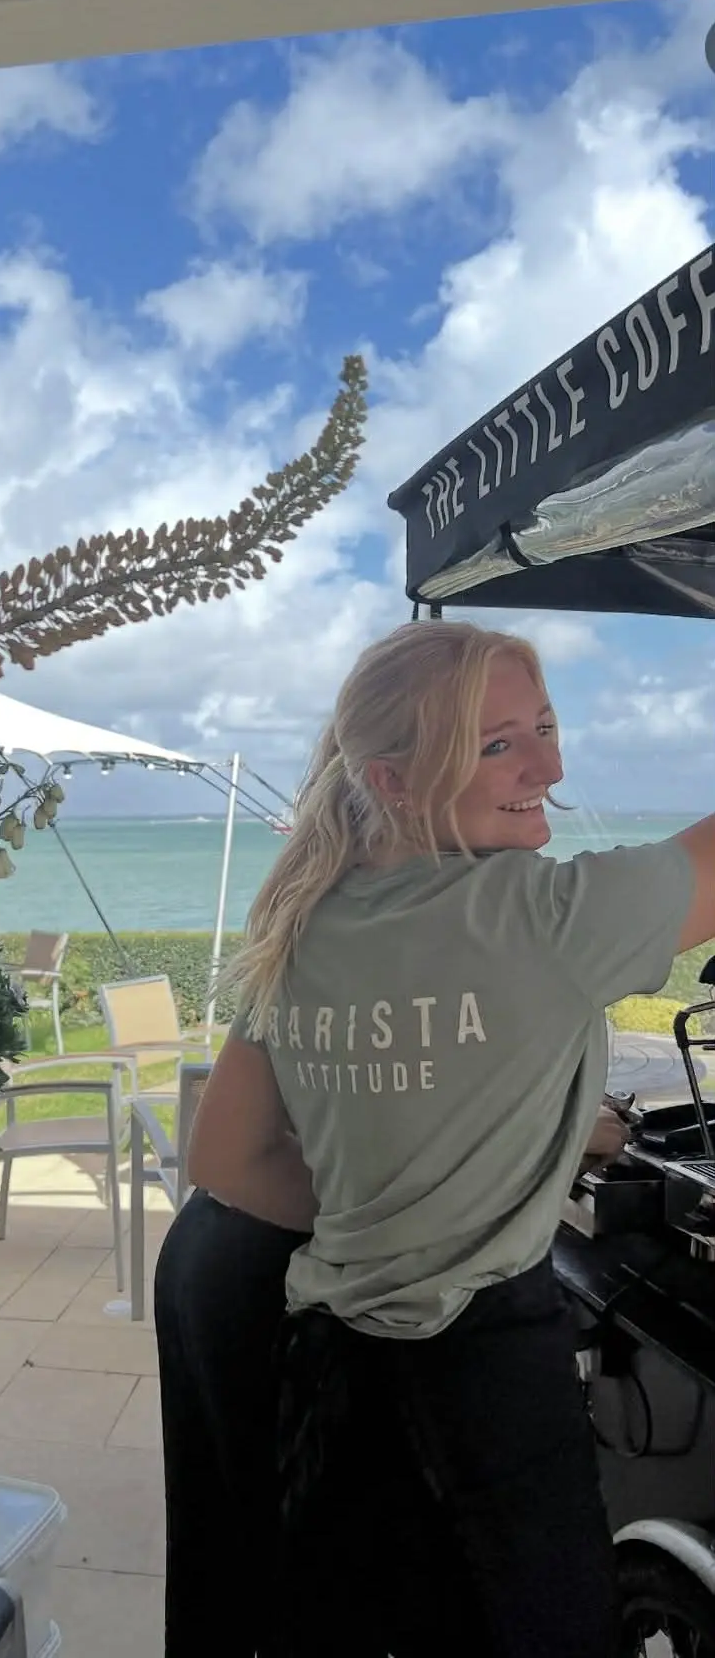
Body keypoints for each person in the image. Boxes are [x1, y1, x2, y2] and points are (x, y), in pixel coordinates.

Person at [187, 619, 714, 1657]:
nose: (549, 766)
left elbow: (224, 1158)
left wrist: (390, 1204)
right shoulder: (536, 915)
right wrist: (447, 1208)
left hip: (327, 1384)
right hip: (486, 1385)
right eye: (498, 743)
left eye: (545, 727)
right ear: (390, 779)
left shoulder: (301, 923)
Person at [154, 1187, 308, 1657]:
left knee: (213, 1567)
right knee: (285, 1578)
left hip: (227, 1246)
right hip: (263, 1270)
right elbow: (223, 1154)